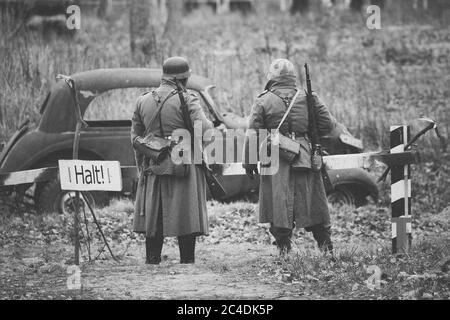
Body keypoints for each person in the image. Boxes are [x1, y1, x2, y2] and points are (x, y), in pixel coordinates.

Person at [131, 56, 223, 264]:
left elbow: (135, 140)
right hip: (185, 166)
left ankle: (152, 261)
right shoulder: (188, 99)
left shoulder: (142, 100)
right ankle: (187, 263)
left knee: (154, 216)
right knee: (186, 215)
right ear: (183, 78)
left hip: (153, 165)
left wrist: (142, 168)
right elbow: (207, 131)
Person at [243, 58, 336, 256]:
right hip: (305, 156)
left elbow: (253, 134)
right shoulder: (308, 97)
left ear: (272, 77)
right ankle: (326, 249)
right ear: (292, 77)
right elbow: (327, 124)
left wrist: (249, 162)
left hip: (275, 157)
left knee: (279, 205)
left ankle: (284, 252)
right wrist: (310, 138)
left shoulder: (263, 100)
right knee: (314, 203)